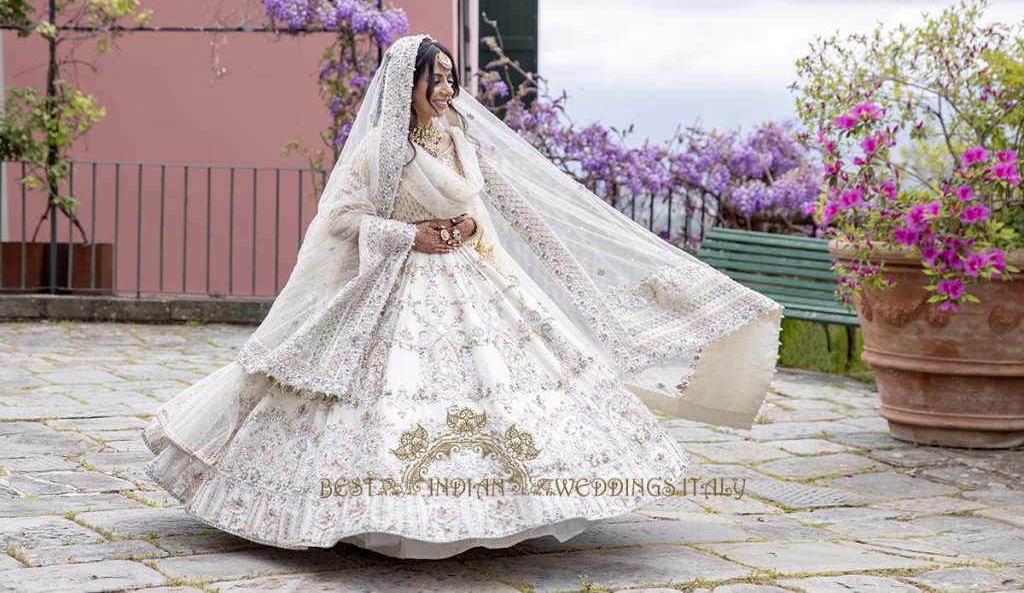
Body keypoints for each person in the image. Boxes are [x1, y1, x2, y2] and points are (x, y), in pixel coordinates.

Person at [142, 33, 784, 559]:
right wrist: (406, 235)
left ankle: (503, 511)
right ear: (409, 86)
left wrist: (470, 226)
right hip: (396, 287)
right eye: (437, 80)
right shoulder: (378, 151)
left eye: (451, 79)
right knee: (389, 397)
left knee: (505, 386)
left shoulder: (455, 139)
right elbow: (339, 218)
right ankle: (382, 516)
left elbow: (477, 204)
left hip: (467, 278)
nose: (448, 90)